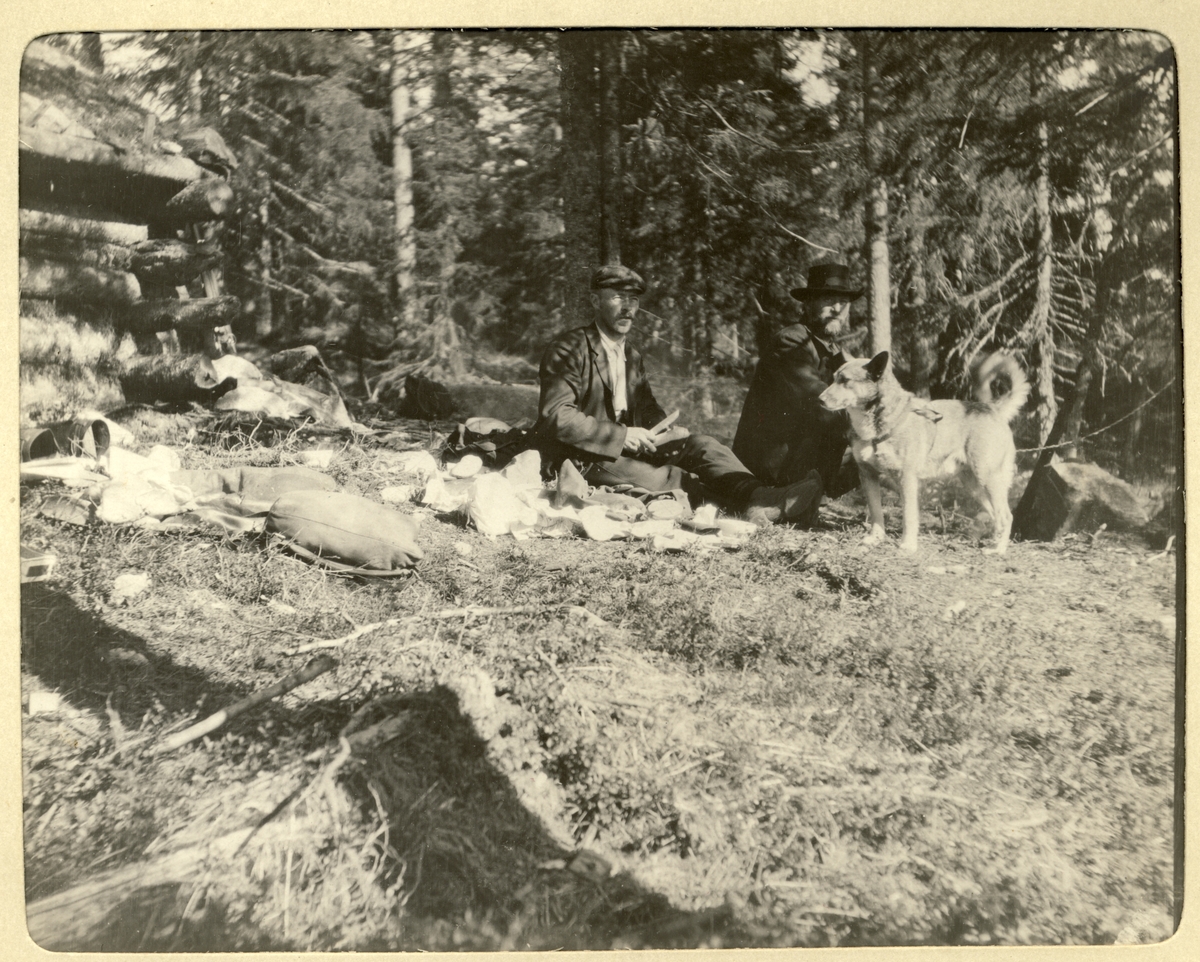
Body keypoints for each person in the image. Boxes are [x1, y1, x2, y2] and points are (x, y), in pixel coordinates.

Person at [534, 265, 823, 525]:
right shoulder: (569, 349)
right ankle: (755, 507)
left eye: (633, 300)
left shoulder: (630, 355)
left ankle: (763, 496)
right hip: (587, 456)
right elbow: (557, 417)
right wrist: (623, 435)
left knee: (705, 446)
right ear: (595, 301)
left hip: (629, 448)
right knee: (674, 478)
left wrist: (663, 430)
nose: (628, 308)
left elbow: (647, 408)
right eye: (617, 298)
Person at [732, 262, 863, 497]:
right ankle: (789, 500)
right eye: (828, 300)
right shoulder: (791, 342)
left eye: (843, 303)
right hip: (772, 471)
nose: (836, 309)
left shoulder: (833, 351)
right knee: (872, 448)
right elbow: (820, 403)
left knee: (884, 451)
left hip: (802, 463)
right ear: (808, 303)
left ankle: (813, 498)